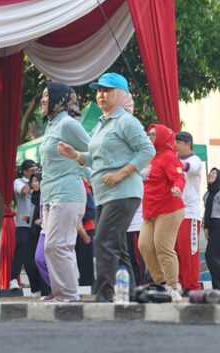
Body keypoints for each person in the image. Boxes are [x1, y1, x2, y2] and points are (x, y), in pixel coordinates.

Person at [58, 72, 155, 302]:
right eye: (99, 91)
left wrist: (121, 173)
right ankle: (130, 296)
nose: (101, 95)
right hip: (104, 194)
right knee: (117, 247)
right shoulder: (101, 123)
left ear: (120, 93)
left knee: (103, 241)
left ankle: (105, 295)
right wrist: (75, 155)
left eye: (107, 90)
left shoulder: (126, 121)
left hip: (124, 191)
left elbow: (148, 151)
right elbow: (94, 157)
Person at [39, 82, 91, 302]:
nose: (42, 100)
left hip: (67, 192)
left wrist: (82, 164)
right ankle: (63, 293)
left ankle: (69, 296)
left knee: (57, 246)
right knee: (55, 247)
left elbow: (95, 151)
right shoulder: (52, 125)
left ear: (59, 100)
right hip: (51, 195)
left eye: (46, 95)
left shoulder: (68, 124)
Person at [138, 124, 186, 301]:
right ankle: (162, 283)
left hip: (169, 209)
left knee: (163, 247)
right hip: (150, 211)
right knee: (144, 246)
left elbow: (179, 176)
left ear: (161, 137)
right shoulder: (148, 156)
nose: (149, 137)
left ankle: (173, 287)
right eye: (148, 134)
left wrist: (177, 187)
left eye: (152, 134)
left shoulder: (168, 156)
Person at [174, 131, 203, 293]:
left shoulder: (195, 159)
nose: (175, 146)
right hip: (174, 213)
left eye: (178, 143)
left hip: (189, 213)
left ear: (188, 144)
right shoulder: (174, 160)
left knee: (188, 252)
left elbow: (189, 168)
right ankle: (180, 284)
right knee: (175, 251)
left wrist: (170, 160)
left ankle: (192, 286)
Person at [8, 159, 39, 292]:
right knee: (20, 250)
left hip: (37, 222)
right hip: (23, 222)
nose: (35, 172)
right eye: (33, 170)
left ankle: (36, 285)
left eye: (36, 170)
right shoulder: (18, 181)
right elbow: (24, 191)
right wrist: (34, 180)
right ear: (25, 171)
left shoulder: (39, 182)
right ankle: (13, 279)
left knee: (33, 255)